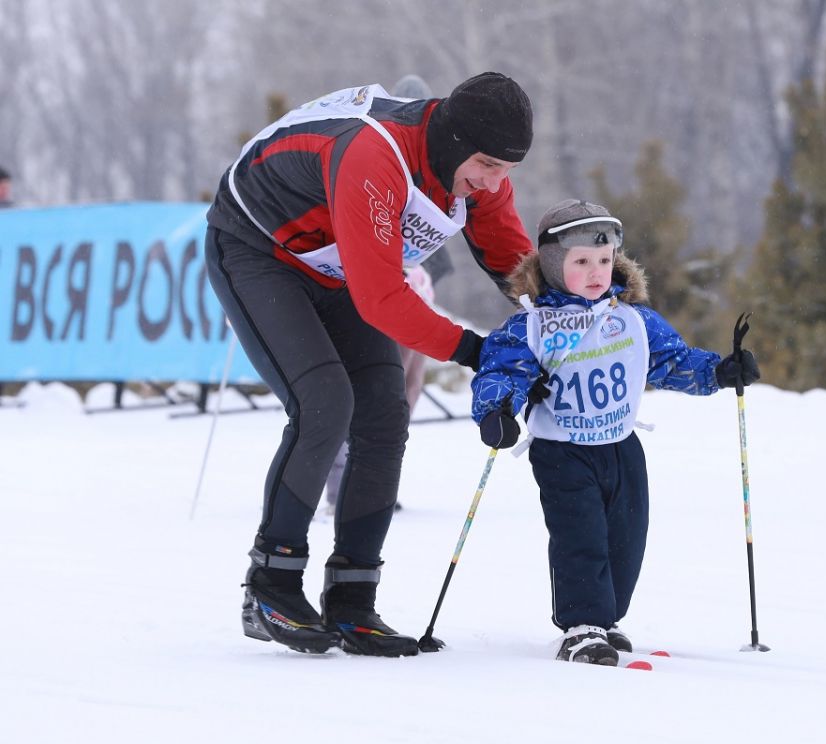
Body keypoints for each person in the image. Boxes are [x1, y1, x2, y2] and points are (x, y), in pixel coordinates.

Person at [204, 72, 534, 658]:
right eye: (486, 164)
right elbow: (381, 300)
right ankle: (271, 584)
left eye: (507, 170)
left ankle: (353, 598)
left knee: (384, 413)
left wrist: (568, 320)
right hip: (258, 250)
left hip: (333, 264)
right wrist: (479, 353)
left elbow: (514, 264)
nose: (492, 183)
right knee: (325, 403)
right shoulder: (373, 154)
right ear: (455, 142)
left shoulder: (480, 171)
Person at [470, 200, 761, 665]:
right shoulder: (533, 324)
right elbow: (502, 371)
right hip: (563, 449)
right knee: (580, 536)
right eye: (581, 262)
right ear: (551, 263)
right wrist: (498, 409)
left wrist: (720, 372)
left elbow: (670, 361)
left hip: (621, 446)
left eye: (604, 261)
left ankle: (605, 618)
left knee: (626, 538)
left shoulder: (632, 318)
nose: (595, 272)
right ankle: (582, 625)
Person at [322, 75, 458, 513]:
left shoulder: (438, 159)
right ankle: (344, 485)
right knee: (370, 392)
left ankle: (378, 480)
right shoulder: (379, 148)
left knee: (407, 390)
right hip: (377, 290)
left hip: (418, 288)